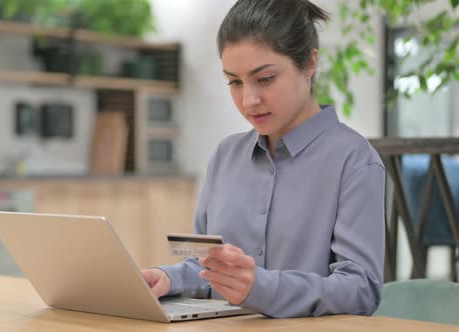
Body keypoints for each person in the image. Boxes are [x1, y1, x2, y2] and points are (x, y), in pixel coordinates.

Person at [141, 0, 385, 318]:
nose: (249, 100)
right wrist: (167, 278)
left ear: (310, 63)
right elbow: (204, 267)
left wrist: (263, 288)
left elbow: (361, 290)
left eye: (265, 79)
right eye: (235, 82)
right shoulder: (224, 157)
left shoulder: (354, 161)